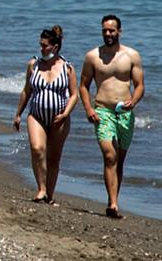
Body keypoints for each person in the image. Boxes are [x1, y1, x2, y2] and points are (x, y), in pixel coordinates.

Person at [80, 13, 145, 218]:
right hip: (102, 111)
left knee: (120, 160)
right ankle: (113, 205)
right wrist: (89, 109)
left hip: (125, 114)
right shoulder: (93, 56)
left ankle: (113, 199)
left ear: (119, 31)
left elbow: (140, 85)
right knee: (110, 156)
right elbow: (83, 85)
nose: (107, 34)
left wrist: (133, 101)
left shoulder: (131, 56)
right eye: (104, 30)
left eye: (111, 30)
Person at [13, 24, 79, 203]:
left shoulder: (68, 68)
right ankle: (41, 188)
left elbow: (75, 95)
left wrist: (65, 114)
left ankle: (50, 194)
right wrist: (18, 113)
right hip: (36, 115)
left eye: (45, 45)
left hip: (60, 119)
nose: (41, 48)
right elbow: (27, 90)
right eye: (40, 45)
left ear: (55, 47)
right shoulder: (34, 65)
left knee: (54, 157)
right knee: (37, 149)